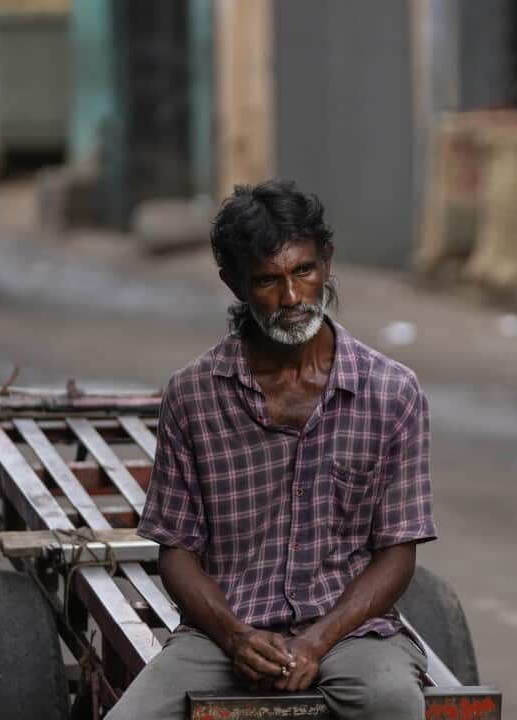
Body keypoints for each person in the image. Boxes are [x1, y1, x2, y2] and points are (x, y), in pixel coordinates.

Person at [108, 180, 436, 720]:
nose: (290, 298)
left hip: (351, 635)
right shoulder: (193, 392)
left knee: (394, 702)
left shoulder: (391, 390)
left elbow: (398, 552)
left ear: (326, 264)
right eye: (266, 280)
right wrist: (236, 638)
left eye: (303, 272)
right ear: (234, 284)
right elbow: (177, 552)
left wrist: (315, 642)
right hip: (222, 636)